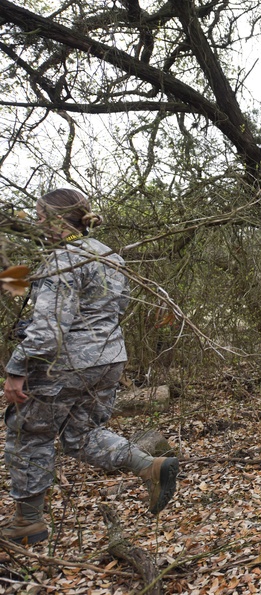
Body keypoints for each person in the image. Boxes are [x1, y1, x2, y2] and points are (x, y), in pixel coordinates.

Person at [2, 189, 179, 546]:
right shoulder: (108, 255)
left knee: (28, 434)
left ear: (55, 218)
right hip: (109, 359)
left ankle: (27, 522)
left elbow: (50, 330)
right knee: (82, 434)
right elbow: (100, 312)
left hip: (65, 364)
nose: (36, 222)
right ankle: (150, 466)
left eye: (39, 215)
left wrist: (16, 367)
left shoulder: (63, 260)